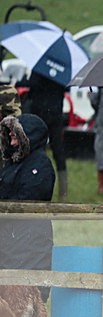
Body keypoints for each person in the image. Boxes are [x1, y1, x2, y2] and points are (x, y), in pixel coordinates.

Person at [0, 114, 55, 302]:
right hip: (9, 239)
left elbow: (28, 200)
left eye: (15, 131)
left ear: (27, 136)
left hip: (29, 241)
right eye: (9, 131)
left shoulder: (41, 165)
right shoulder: (11, 163)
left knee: (27, 296)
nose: (10, 135)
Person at [19, 72, 67, 200]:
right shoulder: (63, 70)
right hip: (56, 113)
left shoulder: (40, 67)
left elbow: (33, 83)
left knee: (38, 153)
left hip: (40, 113)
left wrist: (21, 81)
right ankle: (63, 191)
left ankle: (38, 181)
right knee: (59, 152)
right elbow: (66, 87)